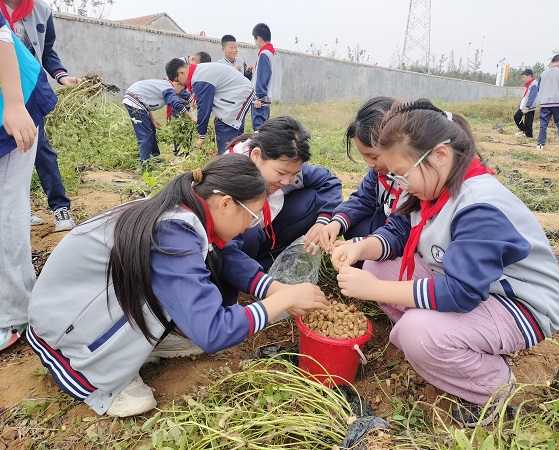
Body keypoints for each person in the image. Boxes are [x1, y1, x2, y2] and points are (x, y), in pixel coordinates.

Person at [27, 154, 330, 417]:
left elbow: (226, 254)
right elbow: (213, 331)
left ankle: (138, 347)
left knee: (198, 331)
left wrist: (274, 289)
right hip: (66, 325)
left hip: (92, 303)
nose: (248, 228)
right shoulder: (173, 231)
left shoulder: (189, 209)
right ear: (226, 203)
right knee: (189, 349)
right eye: (251, 218)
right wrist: (280, 301)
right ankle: (93, 369)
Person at [331, 99, 559, 427]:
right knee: (375, 266)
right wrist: (359, 247)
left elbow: (462, 292)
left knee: (416, 332)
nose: (401, 185)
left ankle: (493, 387)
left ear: (440, 155)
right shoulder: (431, 188)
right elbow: (398, 233)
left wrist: (377, 290)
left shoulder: (479, 204)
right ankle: (448, 340)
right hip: (468, 286)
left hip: (518, 305)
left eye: (402, 175)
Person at [0, 9, 57, 351]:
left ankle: (12, 313)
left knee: (6, 208)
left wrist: (15, 104)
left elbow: (1, 39)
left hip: (14, 102)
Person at [1, 0, 79, 231]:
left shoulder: (41, 11)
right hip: (3, 97)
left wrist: (61, 76)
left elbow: (47, 51)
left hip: (28, 93)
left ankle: (59, 207)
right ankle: (18, 211)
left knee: (39, 148)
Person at [226, 116, 342, 270]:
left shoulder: (288, 166)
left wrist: (324, 221)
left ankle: (269, 261)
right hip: (236, 241)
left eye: (294, 173)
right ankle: (247, 272)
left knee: (311, 199)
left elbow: (330, 182)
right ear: (256, 155)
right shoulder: (229, 176)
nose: (287, 181)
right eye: (281, 173)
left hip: (267, 229)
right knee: (251, 234)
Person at [318, 97, 405, 253]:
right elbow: (363, 198)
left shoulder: (413, 180)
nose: (370, 164)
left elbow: (404, 228)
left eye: (374, 157)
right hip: (388, 228)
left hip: (405, 238)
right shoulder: (378, 172)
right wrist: (337, 222)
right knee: (352, 225)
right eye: (364, 157)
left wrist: (360, 245)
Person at [165, 59, 255, 155]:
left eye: (177, 81)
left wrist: (202, 135)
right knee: (229, 130)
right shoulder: (199, 72)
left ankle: (227, 162)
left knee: (225, 126)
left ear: (181, 72)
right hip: (236, 93)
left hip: (239, 93)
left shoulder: (199, 78)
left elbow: (204, 108)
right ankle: (237, 158)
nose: (180, 84)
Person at [123, 78, 197, 166]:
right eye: (182, 90)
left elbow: (145, 102)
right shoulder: (169, 89)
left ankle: (155, 157)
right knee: (145, 135)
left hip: (137, 101)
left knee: (151, 130)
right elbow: (176, 104)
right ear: (177, 84)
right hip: (134, 102)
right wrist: (191, 117)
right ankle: (144, 165)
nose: (179, 93)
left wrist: (153, 120)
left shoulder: (165, 86)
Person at [537, 54, 559, 151]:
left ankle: (540, 144)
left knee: (543, 124)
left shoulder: (542, 74)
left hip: (545, 103)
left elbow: (538, 88)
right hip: (558, 102)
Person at [251, 23, 275, 131]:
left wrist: (258, 97)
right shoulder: (272, 53)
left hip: (261, 100)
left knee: (258, 131)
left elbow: (262, 76)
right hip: (266, 100)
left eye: (255, 39)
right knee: (264, 130)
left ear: (259, 38)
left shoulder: (264, 53)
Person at [513, 69, 538, 139]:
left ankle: (529, 136)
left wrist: (527, 107)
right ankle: (524, 130)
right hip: (524, 105)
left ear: (529, 76)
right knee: (517, 117)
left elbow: (532, 97)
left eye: (524, 77)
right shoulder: (528, 84)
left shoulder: (534, 84)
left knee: (528, 121)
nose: (522, 79)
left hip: (530, 106)